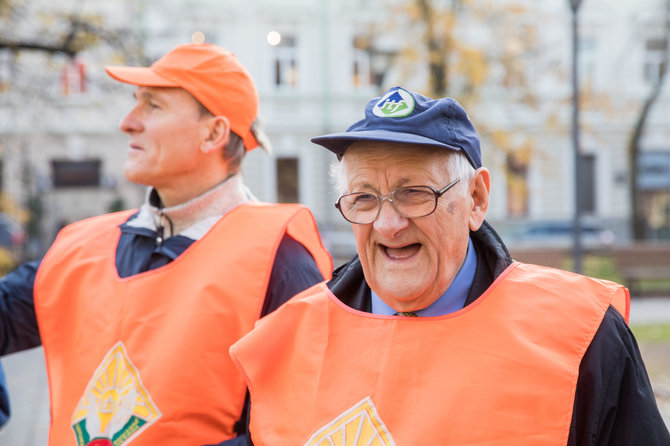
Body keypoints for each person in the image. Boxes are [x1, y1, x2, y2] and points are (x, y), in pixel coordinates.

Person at [230, 86, 670, 445]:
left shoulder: (584, 336)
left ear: (476, 199)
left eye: (414, 192)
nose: (389, 223)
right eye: (364, 198)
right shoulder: (285, 340)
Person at [0, 42, 332, 445]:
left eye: (153, 106)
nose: (127, 122)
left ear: (213, 133)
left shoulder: (279, 260)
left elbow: (293, 427)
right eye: (135, 103)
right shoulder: (78, 247)